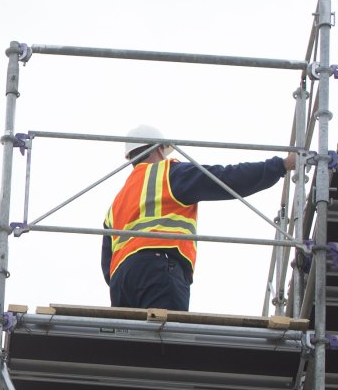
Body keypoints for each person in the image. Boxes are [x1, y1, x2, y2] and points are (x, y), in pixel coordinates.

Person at [102, 124, 296, 311]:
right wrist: (281, 165)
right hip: (158, 270)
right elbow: (226, 178)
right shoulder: (168, 174)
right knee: (164, 341)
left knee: (128, 343)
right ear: (159, 149)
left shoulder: (117, 202)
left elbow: (106, 264)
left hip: (121, 283)